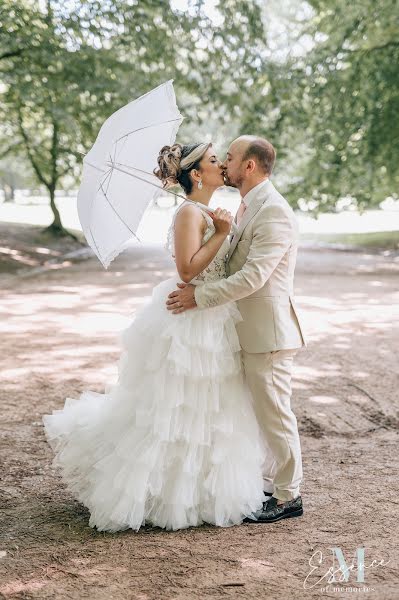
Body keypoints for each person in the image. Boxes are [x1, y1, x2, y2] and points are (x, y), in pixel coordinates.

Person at [42, 141, 273, 533]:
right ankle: (164, 494)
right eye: (214, 161)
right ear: (197, 174)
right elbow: (186, 271)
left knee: (214, 407)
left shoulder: (207, 211)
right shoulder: (188, 212)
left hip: (214, 316)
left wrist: (222, 229)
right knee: (176, 407)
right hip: (189, 317)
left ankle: (204, 490)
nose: (222, 166)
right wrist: (220, 234)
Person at [166, 136, 306, 523]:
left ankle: (289, 496)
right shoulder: (245, 207)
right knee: (257, 413)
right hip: (242, 330)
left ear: (249, 166)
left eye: (229, 157)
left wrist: (201, 296)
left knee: (276, 413)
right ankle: (270, 484)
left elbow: (254, 277)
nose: (224, 163)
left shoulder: (274, 211)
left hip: (269, 332)